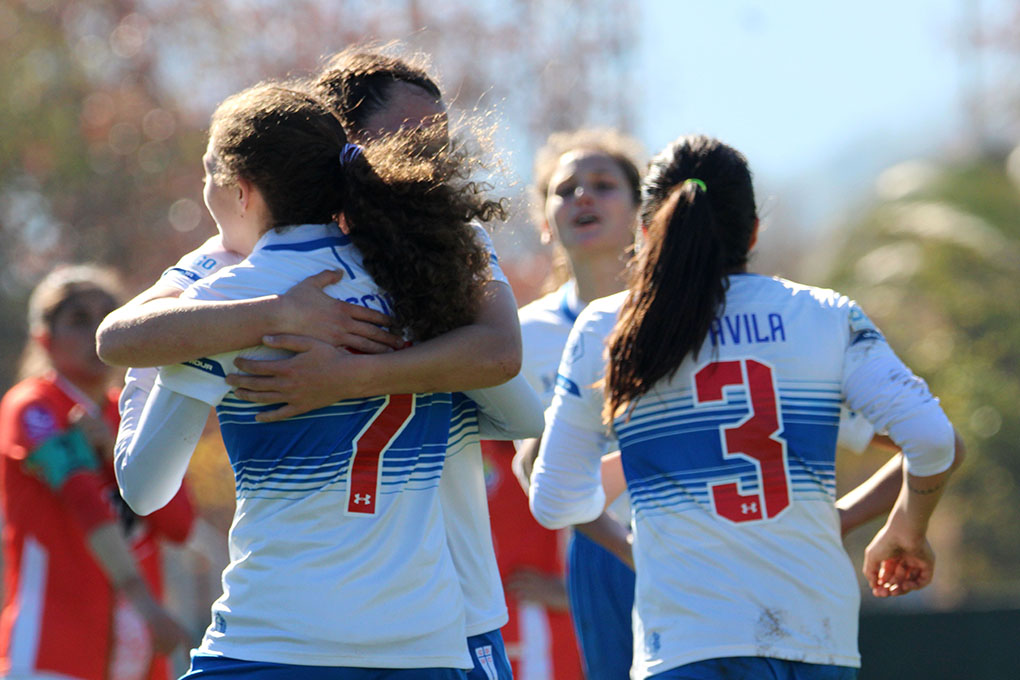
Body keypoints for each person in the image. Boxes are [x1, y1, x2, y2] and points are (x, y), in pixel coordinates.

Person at [98, 48, 533, 680]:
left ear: (238, 187)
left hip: (314, 633)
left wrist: (344, 373)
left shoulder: (241, 276)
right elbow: (517, 404)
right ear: (339, 141)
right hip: (426, 636)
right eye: (416, 137)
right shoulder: (428, 272)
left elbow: (134, 423)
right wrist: (280, 315)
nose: (433, 162)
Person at [529, 134, 961, 680]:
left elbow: (553, 501)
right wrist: (907, 526)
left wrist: (641, 535)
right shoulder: (825, 315)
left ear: (644, 232)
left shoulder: (606, 327)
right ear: (753, 231)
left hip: (686, 642)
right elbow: (935, 440)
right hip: (817, 636)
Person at [494, 128, 644, 680]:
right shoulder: (520, 335)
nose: (583, 196)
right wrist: (625, 549)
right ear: (544, 220)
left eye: (603, 185)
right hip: (600, 558)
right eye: (565, 189)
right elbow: (533, 467)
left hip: (695, 549)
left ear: (640, 213)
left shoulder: (681, 320)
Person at [0, 266, 192, 680]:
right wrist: (145, 603)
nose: (96, 331)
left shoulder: (134, 413)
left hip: (140, 657)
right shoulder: (32, 406)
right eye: (77, 320)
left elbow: (179, 524)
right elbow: (82, 497)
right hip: (51, 654)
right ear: (43, 339)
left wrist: (113, 451)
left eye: (107, 316)